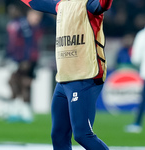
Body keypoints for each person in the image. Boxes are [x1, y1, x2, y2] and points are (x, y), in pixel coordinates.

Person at [22, 0, 113, 149]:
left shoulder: (88, 5)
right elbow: (35, 2)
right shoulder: (62, 5)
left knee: (82, 135)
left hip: (85, 75)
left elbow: (103, 4)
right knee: (58, 134)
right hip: (65, 78)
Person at [1, 2, 44, 122]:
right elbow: (11, 44)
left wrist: (25, 59)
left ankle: (23, 111)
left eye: (13, 9)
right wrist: (6, 57)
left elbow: (28, 45)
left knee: (22, 83)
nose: (11, 12)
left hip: (26, 60)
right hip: (21, 59)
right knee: (17, 82)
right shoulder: (18, 24)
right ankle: (20, 109)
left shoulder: (24, 25)